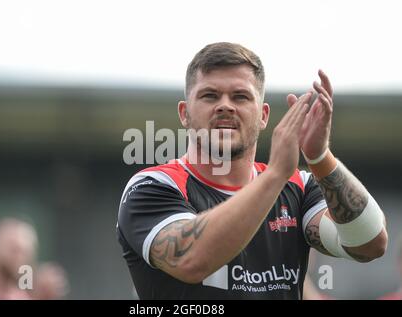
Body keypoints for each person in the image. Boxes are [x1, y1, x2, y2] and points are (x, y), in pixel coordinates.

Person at [117, 42, 388, 299]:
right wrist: (274, 175)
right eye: (210, 95)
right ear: (185, 113)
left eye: (240, 96)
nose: (225, 105)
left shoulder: (298, 187)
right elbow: (192, 260)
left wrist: (319, 157)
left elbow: (370, 245)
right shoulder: (153, 185)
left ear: (263, 115)